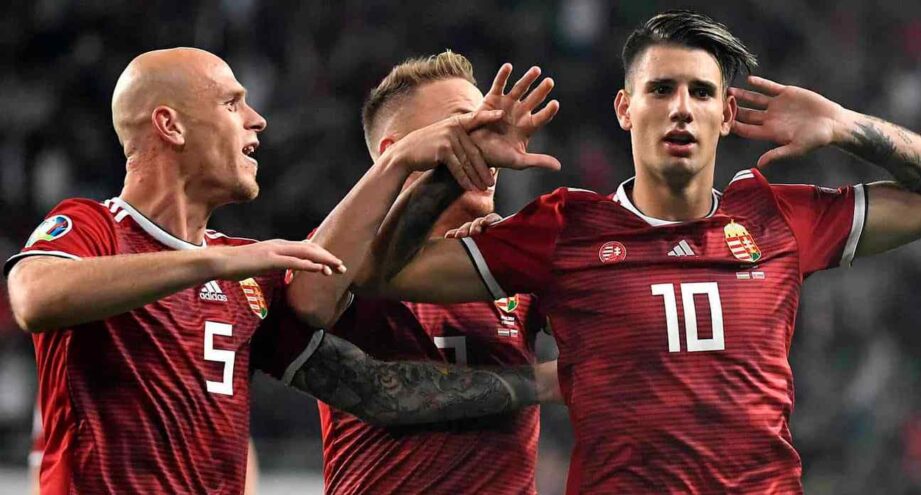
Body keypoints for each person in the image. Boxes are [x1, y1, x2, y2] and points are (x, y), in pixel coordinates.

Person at [325, 10, 921, 494]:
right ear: (624, 108)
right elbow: (380, 272)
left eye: (701, 92)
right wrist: (455, 170)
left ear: (726, 114)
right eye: (661, 89)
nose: (681, 108)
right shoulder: (564, 229)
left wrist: (847, 127)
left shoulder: (777, 218)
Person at [4, 47, 556, 494]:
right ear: (170, 125)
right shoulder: (95, 227)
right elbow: (33, 298)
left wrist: (545, 381)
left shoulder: (251, 278)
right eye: (232, 103)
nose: (257, 118)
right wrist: (212, 260)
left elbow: (379, 392)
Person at [319, 51, 559, 494]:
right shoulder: (338, 254)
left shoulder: (509, 262)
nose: (487, 144)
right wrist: (548, 381)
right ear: (396, 151)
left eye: (488, 128)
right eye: (466, 128)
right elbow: (385, 393)